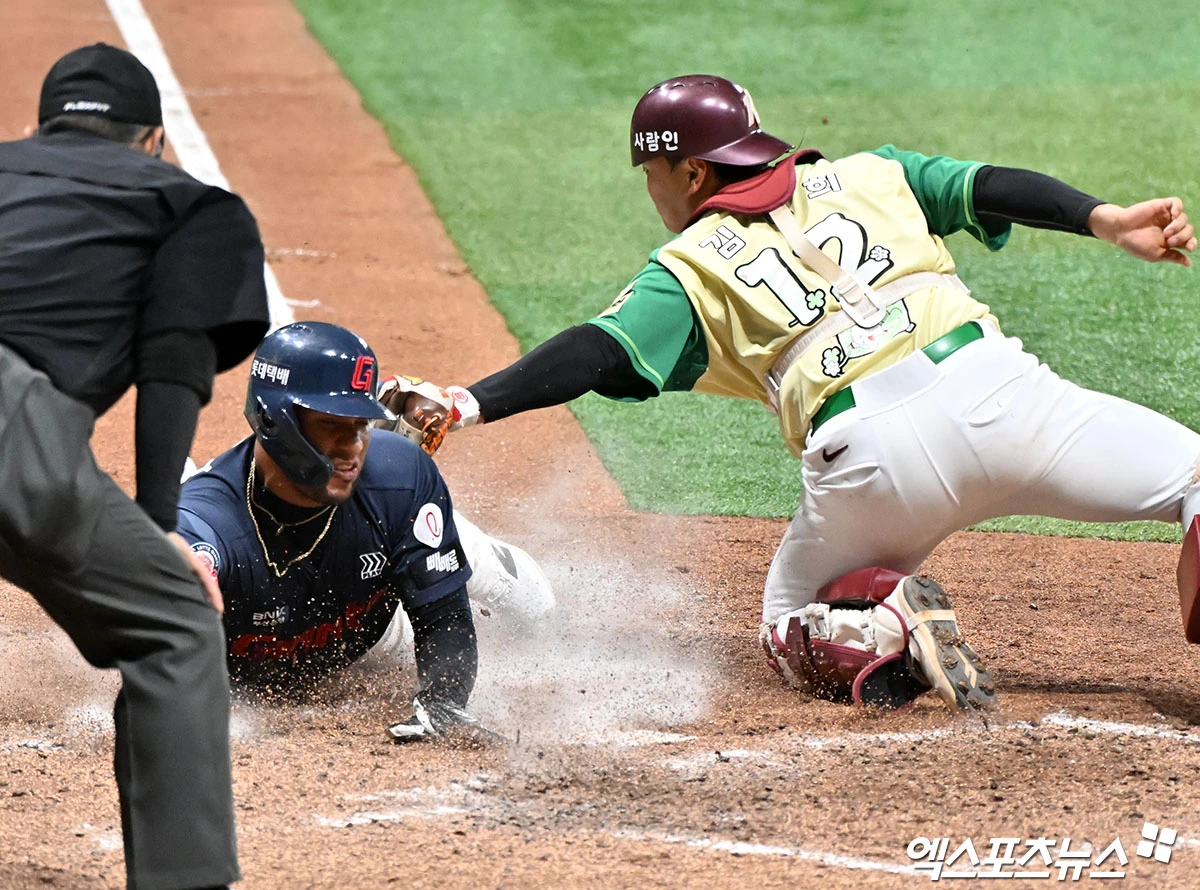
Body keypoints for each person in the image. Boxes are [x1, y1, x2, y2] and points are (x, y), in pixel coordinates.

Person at [381, 73, 1200, 714]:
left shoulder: (687, 265)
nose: (651, 188)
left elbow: (595, 352)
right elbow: (987, 185)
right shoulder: (871, 173)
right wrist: (1105, 218)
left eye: (652, 172)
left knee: (786, 628)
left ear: (692, 170)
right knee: (1194, 479)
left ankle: (884, 622)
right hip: (1007, 398)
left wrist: (465, 402)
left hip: (873, 464)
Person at [0, 44, 270, 890]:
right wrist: (161, 529)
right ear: (153, 141)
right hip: (9, 429)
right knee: (175, 622)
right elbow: (174, 358)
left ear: (38, 133)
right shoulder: (186, 203)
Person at [176, 321, 548, 743]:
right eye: (332, 424)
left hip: (371, 618)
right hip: (354, 633)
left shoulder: (399, 473)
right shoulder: (206, 526)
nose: (353, 446)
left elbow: (444, 616)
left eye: (361, 424)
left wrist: (443, 705)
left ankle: (444, 541)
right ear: (273, 419)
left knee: (535, 603)